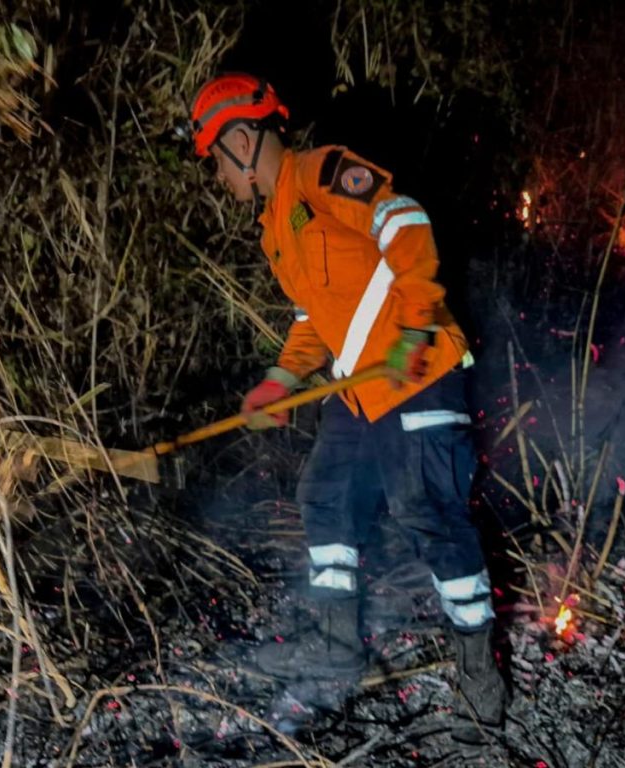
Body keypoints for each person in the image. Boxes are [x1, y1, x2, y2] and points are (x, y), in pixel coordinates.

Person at [189, 73, 507, 727]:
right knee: (325, 498)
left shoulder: (322, 172)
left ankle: (479, 674)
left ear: (243, 139)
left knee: (430, 514)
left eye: (217, 159)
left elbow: (405, 218)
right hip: (359, 392)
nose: (219, 177)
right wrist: (281, 380)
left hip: (418, 371)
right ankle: (337, 647)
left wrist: (417, 320)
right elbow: (315, 319)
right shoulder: (275, 232)